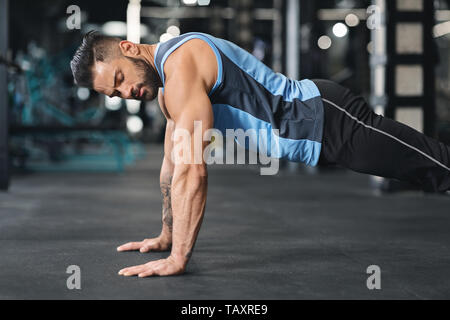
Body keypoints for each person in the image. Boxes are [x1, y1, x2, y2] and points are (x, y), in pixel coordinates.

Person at [70, 31, 450, 277]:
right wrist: (166, 236)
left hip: (328, 119)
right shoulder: (168, 90)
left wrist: (179, 258)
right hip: (316, 140)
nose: (126, 92)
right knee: (429, 171)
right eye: (115, 94)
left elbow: (193, 171)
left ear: (128, 48)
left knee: (436, 166)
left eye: (120, 79)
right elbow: (170, 167)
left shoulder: (181, 64)